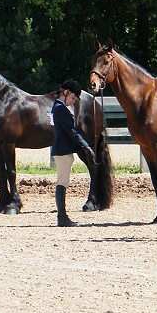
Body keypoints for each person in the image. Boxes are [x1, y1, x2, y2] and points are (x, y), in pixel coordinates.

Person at [50, 80, 95, 227]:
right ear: (66, 93)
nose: (73, 101)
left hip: (63, 150)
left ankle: (62, 216)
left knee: (63, 182)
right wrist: (85, 146)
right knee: (62, 182)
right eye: (73, 97)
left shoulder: (59, 107)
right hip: (62, 151)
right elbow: (71, 131)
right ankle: (61, 217)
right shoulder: (59, 108)